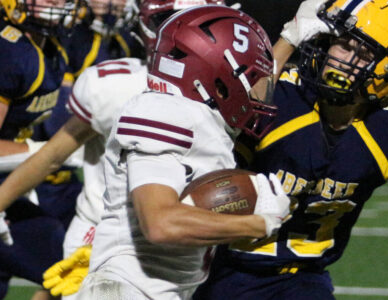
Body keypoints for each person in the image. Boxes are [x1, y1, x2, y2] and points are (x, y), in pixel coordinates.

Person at [193, 0, 388, 299]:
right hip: (223, 269)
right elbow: (239, 110)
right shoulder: (284, 94)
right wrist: (289, 39)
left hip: (304, 279)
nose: (340, 59)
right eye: (341, 44)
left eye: (362, 54)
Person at [0, 0, 228, 298]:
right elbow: (52, 156)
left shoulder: (229, 90)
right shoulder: (114, 85)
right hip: (107, 235)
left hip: (188, 239)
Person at [75, 5, 290, 300]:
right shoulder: (164, 111)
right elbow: (160, 224)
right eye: (254, 80)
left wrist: (291, 39)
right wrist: (258, 222)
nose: (259, 96)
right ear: (221, 75)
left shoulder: (201, 119)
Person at [0, 0, 84, 298]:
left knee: (66, 267)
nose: (59, 4)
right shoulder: (10, 52)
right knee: (65, 264)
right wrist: (45, 152)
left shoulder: (50, 49)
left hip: (7, 188)